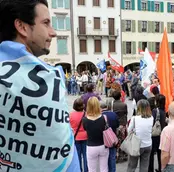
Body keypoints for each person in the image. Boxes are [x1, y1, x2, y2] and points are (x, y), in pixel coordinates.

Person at [0, 0, 80, 171]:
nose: (53, 32)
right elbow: (64, 159)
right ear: (21, 27)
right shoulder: (47, 81)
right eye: (46, 23)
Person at [83, 97, 109, 172]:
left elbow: (85, 129)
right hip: (103, 145)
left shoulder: (85, 120)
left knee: (91, 169)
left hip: (91, 146)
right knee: (104, 168)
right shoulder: (104, 118)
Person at [127, 100, 153, 172]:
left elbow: (129, 130)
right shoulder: (151, 118)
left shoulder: (135, 118)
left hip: (136, 145)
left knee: (132, 166)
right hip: (148, 144)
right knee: (144, 167)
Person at [148, 94, 166, 172]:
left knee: (151, 154)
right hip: (162, 134)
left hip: (155, 134)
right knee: (160, 153)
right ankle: (161, 169)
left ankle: (150, 169)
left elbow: (151, 122)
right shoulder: (164, 110)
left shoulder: (155, 111)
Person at [70, 98, 88, 172]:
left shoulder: (70, 115)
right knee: (86, 156)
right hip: (86, 137)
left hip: (76, 138)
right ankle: (87, 170)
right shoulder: (86, 114)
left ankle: (79, 169)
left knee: (78, 156)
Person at [101, 101, 119, 172]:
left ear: (100, 108)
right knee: (112, 158)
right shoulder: (113, 114)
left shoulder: (100, 116)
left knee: (104, 160)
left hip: (103, 141)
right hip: (112, 139)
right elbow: (117, 125)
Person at [112, 90, 128, 162]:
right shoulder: (124, 105)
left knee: (115, 140)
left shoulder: (112, 104)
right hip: (122, 124)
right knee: (123, 139)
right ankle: (123, 155)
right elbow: (126, 113)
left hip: (114, 124)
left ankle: (116, 155)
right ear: (120, 96)